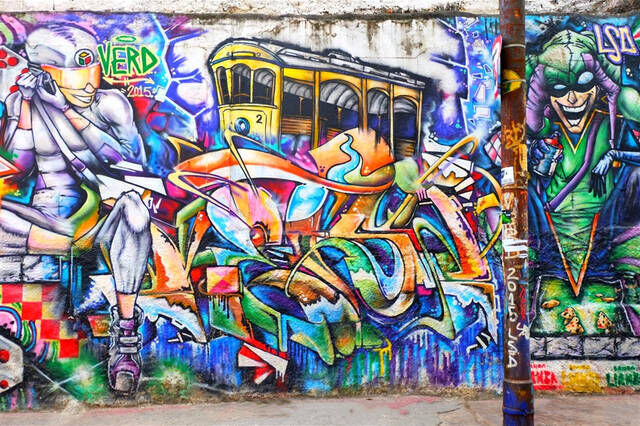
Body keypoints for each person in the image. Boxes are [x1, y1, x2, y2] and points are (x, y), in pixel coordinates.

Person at [1, 24, 151, 394]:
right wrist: (25, 108)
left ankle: (126, 337)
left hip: (98, 219)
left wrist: (66, 109)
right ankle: (59, 247)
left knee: (135, 212)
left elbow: (126, 163)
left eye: (91, 73)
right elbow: (16, 170)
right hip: (46, 221)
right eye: (75, 76)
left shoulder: (111, 105)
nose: (87, 85)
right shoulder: (24, 104)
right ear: (45, 74)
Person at [526, 29, 640, 336]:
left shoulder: (612, 126)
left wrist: (615, 153)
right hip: (552, 236)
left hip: (606, 232)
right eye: (560, 88)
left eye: (584, 84)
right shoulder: (547, 132)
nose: (572, 98)